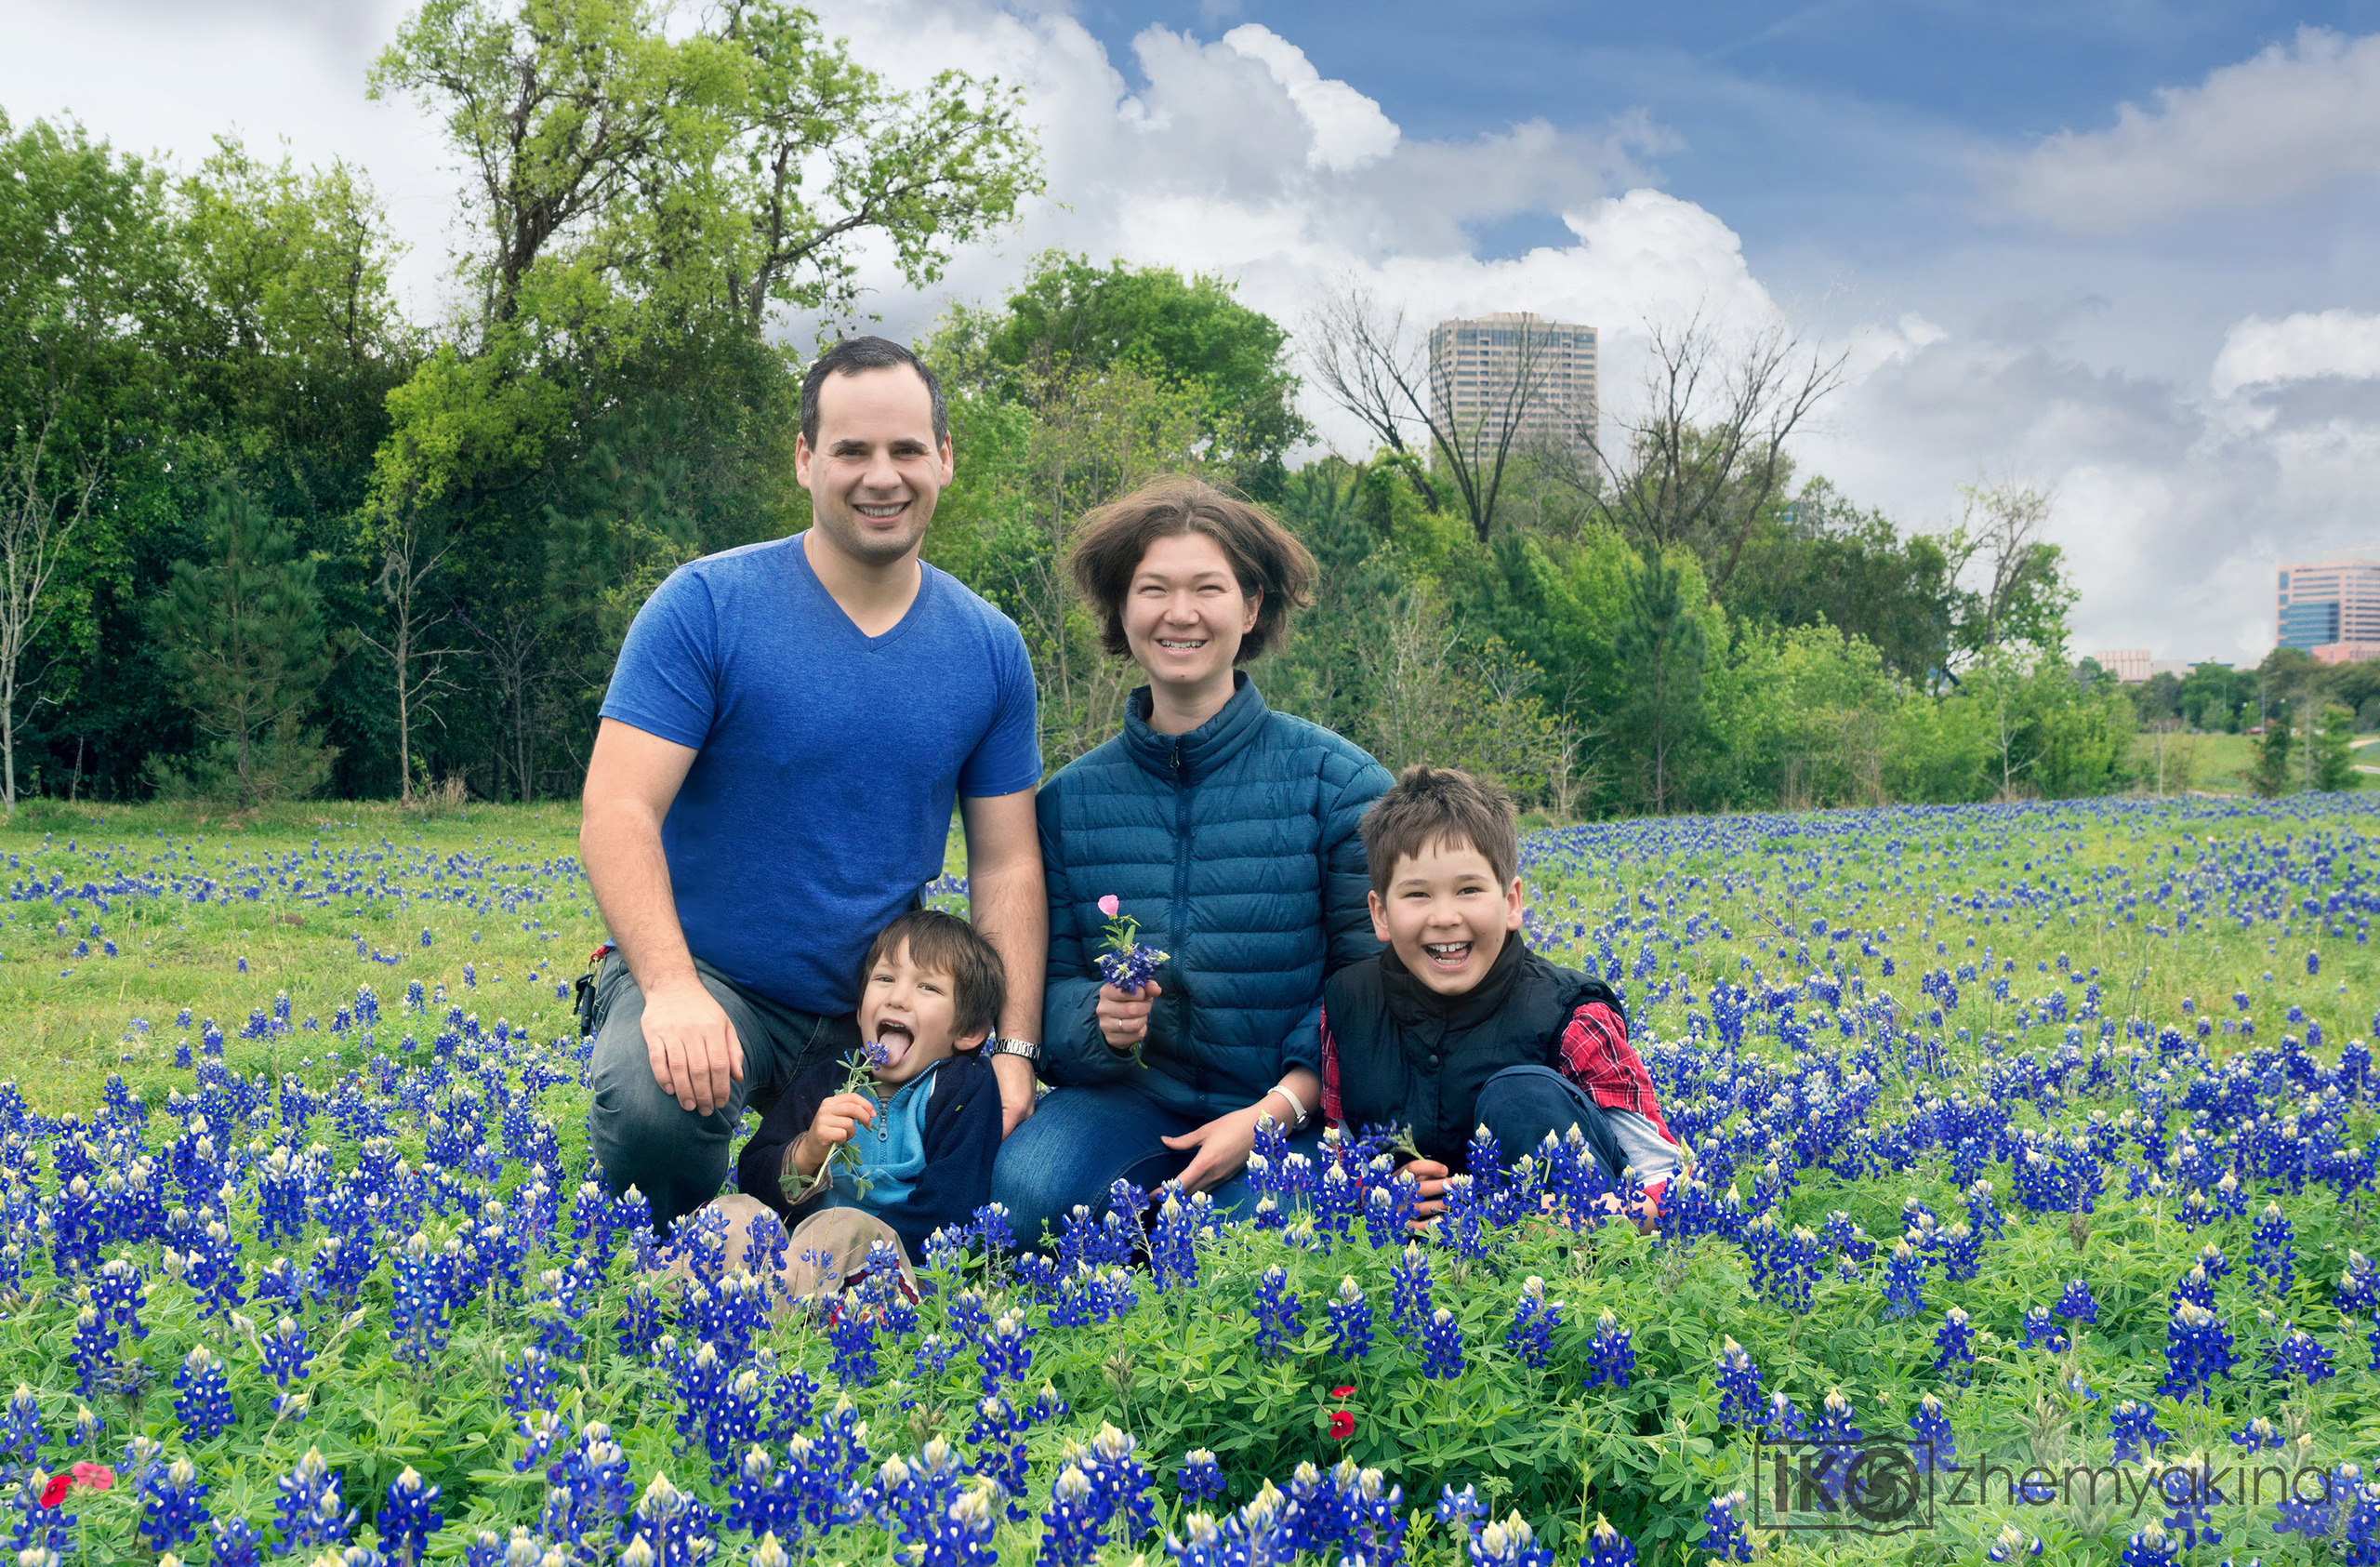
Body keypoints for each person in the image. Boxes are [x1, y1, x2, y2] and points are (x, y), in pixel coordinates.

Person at [579, 336, 1048, 1231]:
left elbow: (1007, 865)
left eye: (908, 449)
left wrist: (1013, 1046)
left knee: (992, 1144)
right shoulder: (706, 604)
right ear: (805, 459)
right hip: (715, 974)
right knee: (652, 1104)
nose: (884, 475)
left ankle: (850, 1243)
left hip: (882, 993)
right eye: (852, 450)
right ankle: (672, 1252)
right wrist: (674, 989)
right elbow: (617, 809)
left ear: (944, 457)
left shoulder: (988, 646)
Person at [992, 476, 1394, 1244]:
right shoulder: (1068, 804)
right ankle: (1139, 1255)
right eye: (1153, 589)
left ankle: (1171, 1246)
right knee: (1029, 1190)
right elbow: (1043, 981)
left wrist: (1277, 1111)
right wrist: (1097, 1022)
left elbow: (1370, 985)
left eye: (1208, 587)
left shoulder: (1339, 785)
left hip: (1292, 1104)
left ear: (1250, 607)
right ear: (1122, 610)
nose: (1180, 613)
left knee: (1254, 1236)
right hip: (1134, 1101)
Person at [1319, 764, 1679, 1214]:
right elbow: (1337, 1157)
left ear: (1511, 902)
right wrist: (1373, 1193)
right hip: (1415, 1263)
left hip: (1567, 1260)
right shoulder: (1350, 1004)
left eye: (1469, 889)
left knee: (1521, 1094)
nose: (1445, 916)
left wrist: (1591, 1219)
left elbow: (1669, 1183)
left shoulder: (1571, 1015)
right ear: (1380, 914)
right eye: (1417, 895)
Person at [720, 909, 1007, 1271]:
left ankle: (772, 1303)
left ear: (970, 1032)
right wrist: (806, 1152)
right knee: (733, 1212)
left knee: (847, 1229)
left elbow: (952, 1203)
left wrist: (874, 1252)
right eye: (885, 978)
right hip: (796, 1247)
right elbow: (754, 1175)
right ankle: (677, 1288)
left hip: (886, 1260)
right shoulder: (829, 1080)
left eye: (927, 987)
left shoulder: (963, 1088)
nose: (898, 998)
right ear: (859, 1010)